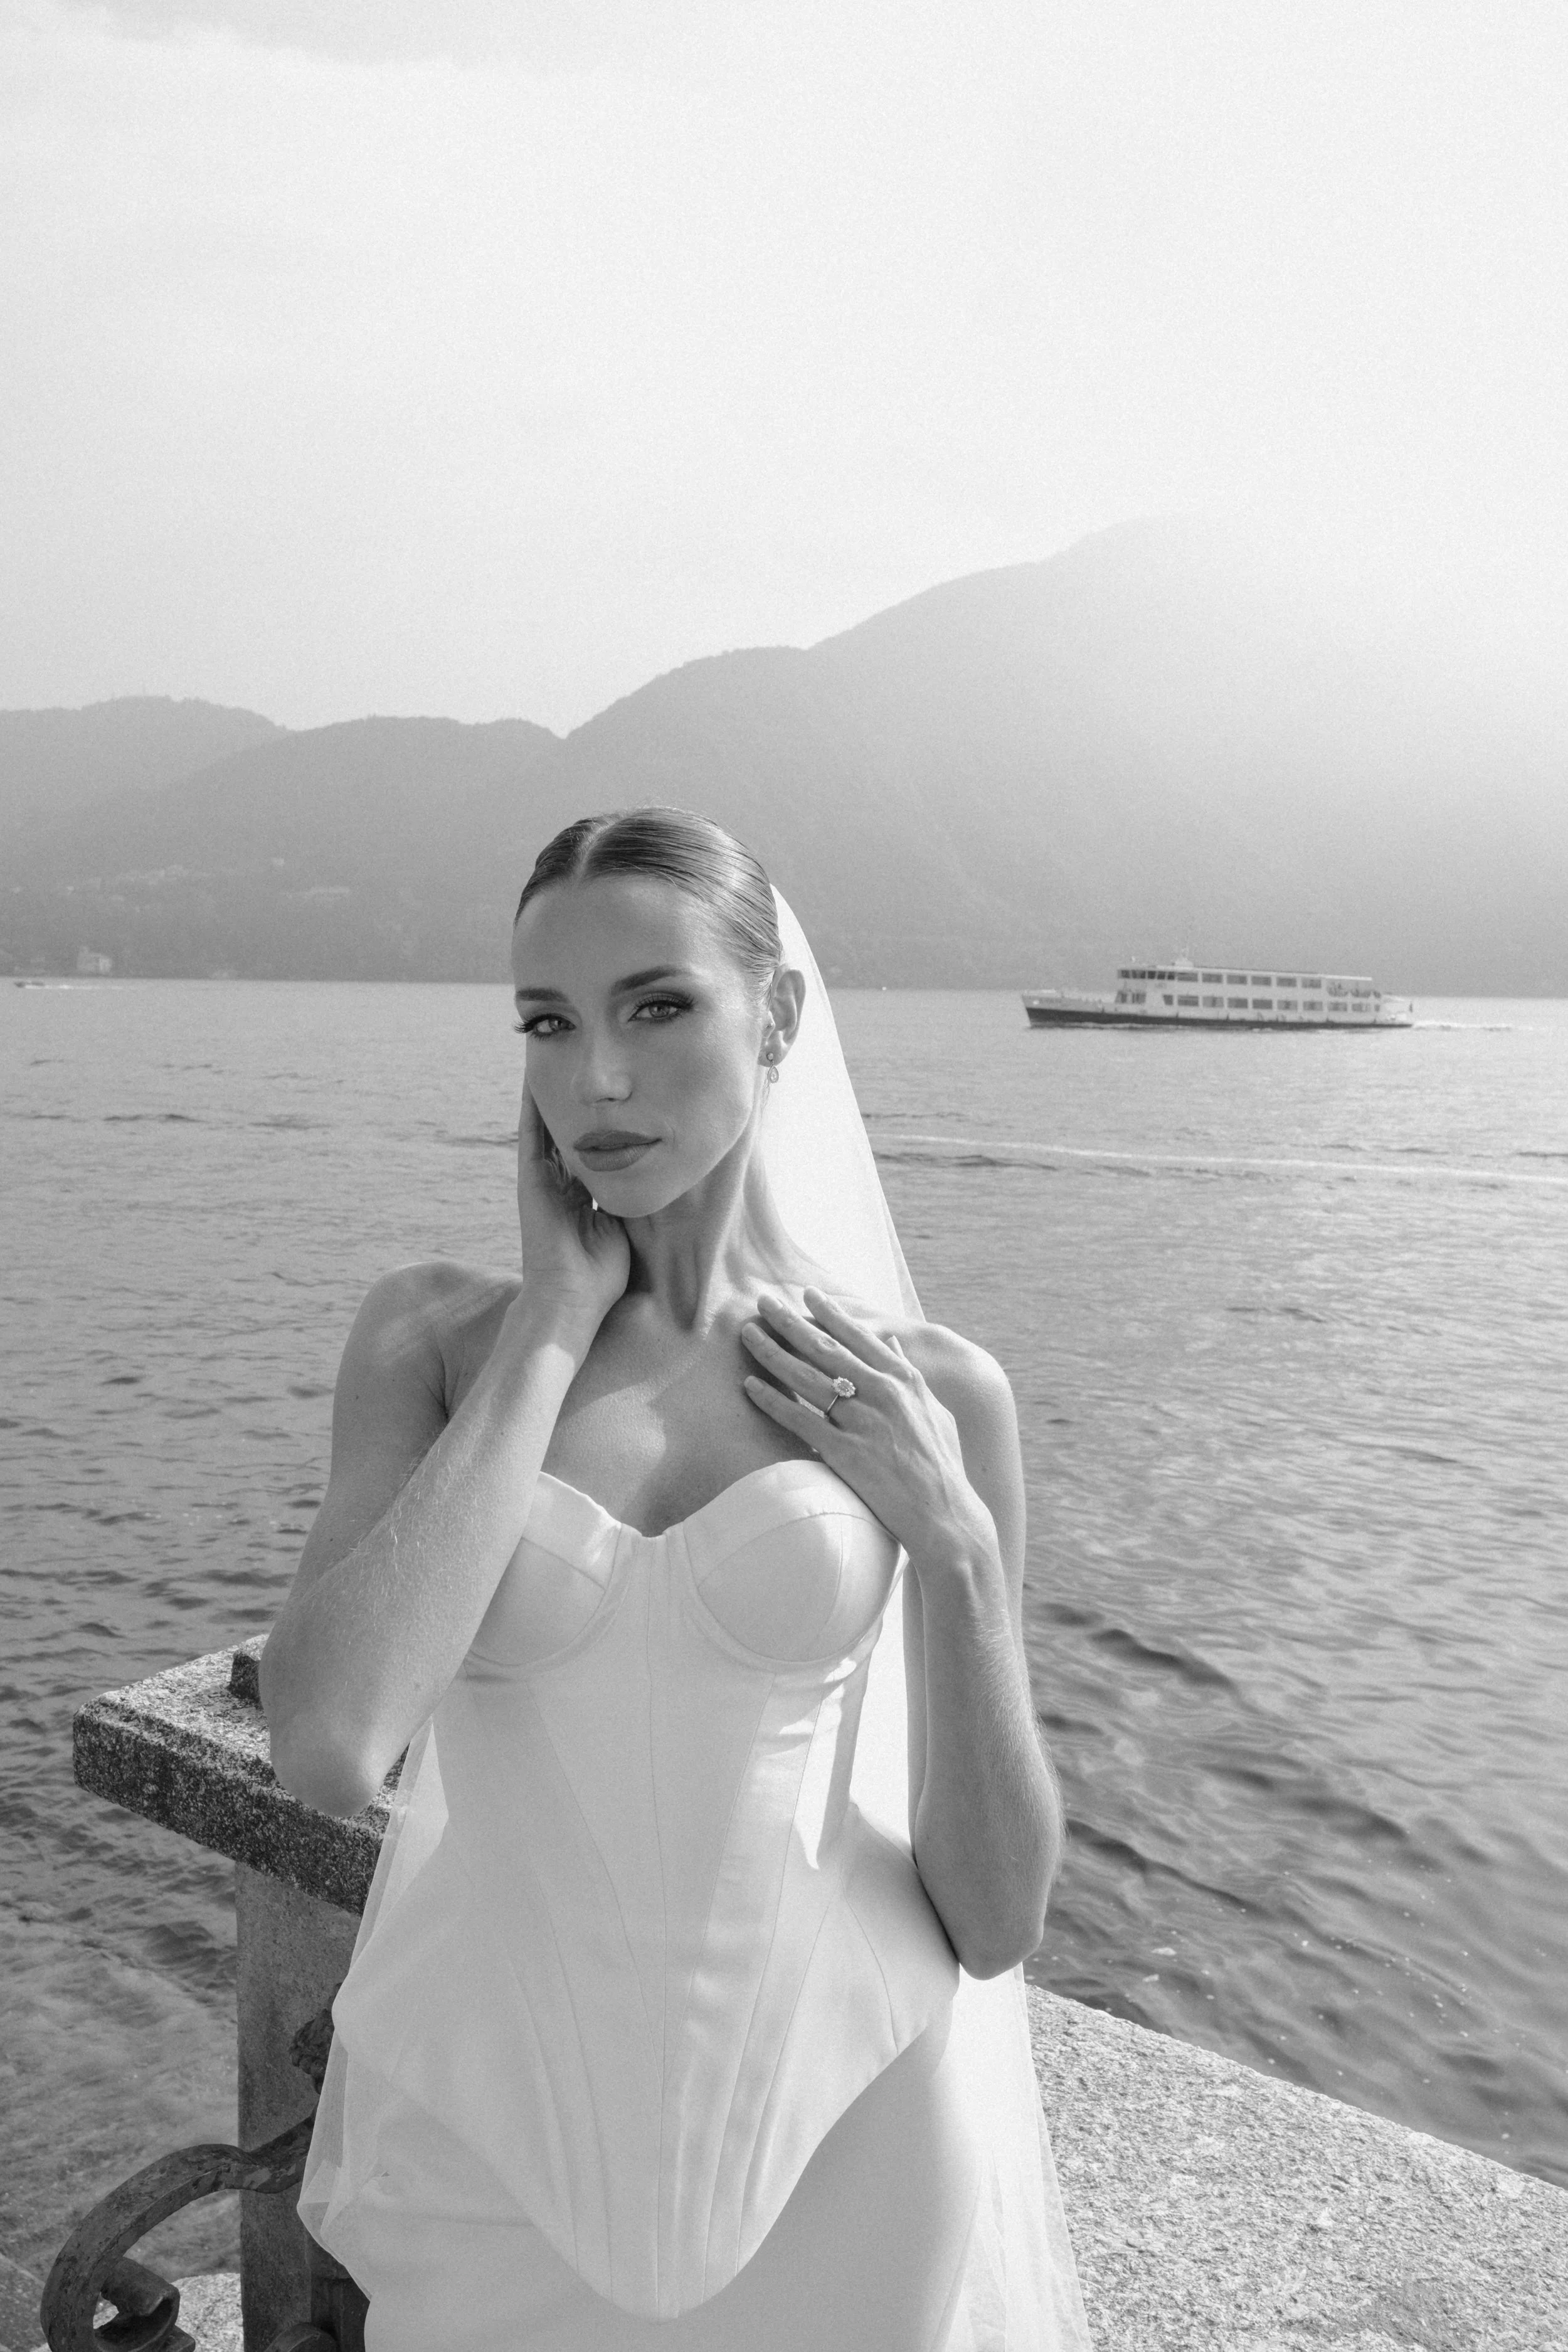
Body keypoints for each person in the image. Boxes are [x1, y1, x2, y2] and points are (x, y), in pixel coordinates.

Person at [262, 808, 1091, 2351]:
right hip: (496, 2130)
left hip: (847, 2120)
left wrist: (955, 1546)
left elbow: (994, 1916)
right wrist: (551, 1330)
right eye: (547, 1023)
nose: (598, 1081)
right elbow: (326, 1748)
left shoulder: (923, 1390)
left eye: (656, 1007)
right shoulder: (434, 1343)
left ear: (771, 1016)